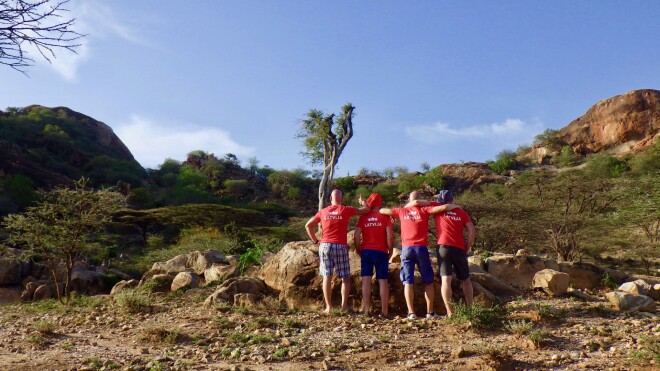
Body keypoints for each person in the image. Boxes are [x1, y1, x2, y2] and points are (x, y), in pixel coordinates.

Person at [380, 191, 458, 320]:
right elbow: (443, 207)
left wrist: (403, 208)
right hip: (421, 248)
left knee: (408, 282)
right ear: (420, 200)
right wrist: (457, 206)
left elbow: (382, 210)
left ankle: (411, 313)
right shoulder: (425, 210)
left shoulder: (401, 211)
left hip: (406, 249)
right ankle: (430, 312)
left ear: (409, 200)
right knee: (428, 282)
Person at [409, 190, 476, 317]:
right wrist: (468, 245)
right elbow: (472, 230)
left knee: (446, 280)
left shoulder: (437, 207)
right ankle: (470, 310)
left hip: (443, 247)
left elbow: (416, 202)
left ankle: (450, 313)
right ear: (452, 200)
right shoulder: (461, 212)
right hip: (459, 248)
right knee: (466, 280)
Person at [305, 189, 370, 313]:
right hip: (339, 246)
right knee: (345, 278)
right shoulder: (345, 209)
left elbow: (308, 226)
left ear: (330, 199)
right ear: (342, 199)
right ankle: (343, 307)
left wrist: (316, 241)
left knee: (327, 277)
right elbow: (366, 210)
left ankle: (328, 307)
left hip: (325, 246)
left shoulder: (323, 211)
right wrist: (363, 202)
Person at [354, 193, 394, 317]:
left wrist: (358, 249)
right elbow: (390, 236)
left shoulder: (363, 217)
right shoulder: (385, 217)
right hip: (381, 251)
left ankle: (366, 310)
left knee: (366, 280)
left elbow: (356, 235)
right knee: (383, 281)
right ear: (380, 203)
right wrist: (390, 251)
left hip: (366, 251)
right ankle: (384, 311)